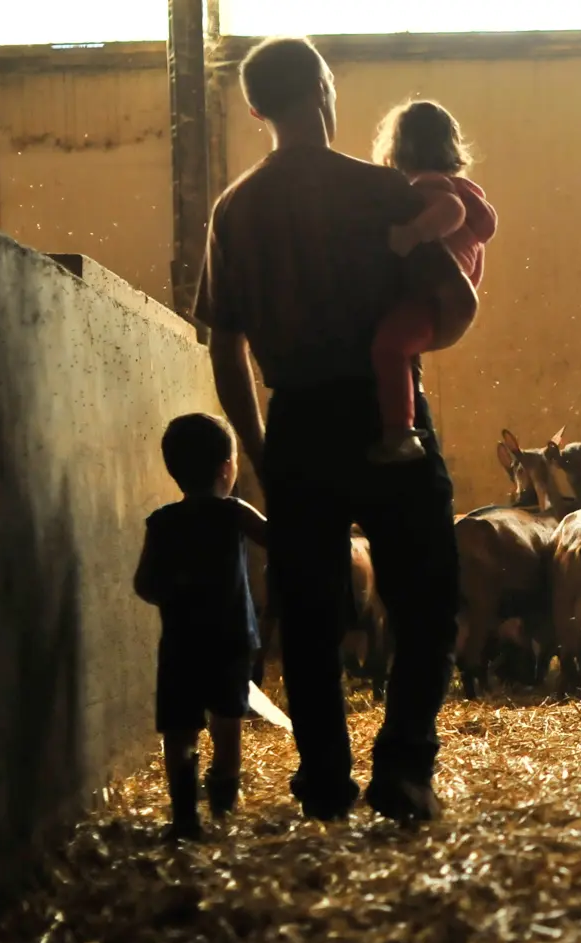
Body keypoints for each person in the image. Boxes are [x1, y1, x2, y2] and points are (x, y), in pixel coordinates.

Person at [195, 36, 462, 825]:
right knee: (427, 598)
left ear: (254, 109)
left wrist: (261, 452)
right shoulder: (383, 193)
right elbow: (449, 302)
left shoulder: (235, 209)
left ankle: (323, 784)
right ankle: (405, 770)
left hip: (300, 421)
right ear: (324, 89)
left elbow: (224, 342)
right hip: (389, 415)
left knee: (309, 614)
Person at [133, 414, 264, 841]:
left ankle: (185, 817)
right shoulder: (233, 513)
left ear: (173, 468)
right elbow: (278, 538)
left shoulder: (162, 522)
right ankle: (224, 809)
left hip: (180, 644)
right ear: (228, 467)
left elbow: (145, 585)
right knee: (228, 725)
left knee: (180, 729)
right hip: (230, 641)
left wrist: (179, 589)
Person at [368, 100, 497, 463]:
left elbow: (451, 212)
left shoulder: (427, 186)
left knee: (388, 347)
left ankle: (400, 432)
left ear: (398, 146)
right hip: (446, 300)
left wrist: (412, 234)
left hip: (430, 300)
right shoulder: (458, 187)